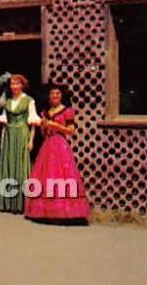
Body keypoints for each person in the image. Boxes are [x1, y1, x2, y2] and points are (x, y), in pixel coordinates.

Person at [25, 85, 91, 222]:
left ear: (61, 96)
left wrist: (57, 127)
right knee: (47, 176)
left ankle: (63, 212)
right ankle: (46, 212)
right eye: (52, 94)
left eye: (57, 93)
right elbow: (43, 133)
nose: (54, 96)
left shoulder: (67, 111)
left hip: (60, 144)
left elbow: (71, 131)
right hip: (48, 145)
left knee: (61, 177)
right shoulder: (45, 112)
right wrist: (44, 126)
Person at [0, 74, 41, 214]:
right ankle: (8, 203)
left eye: (17, 84)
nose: (14, 86)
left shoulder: (29, 100)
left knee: (21, 166)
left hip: (22, 133)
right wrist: (3, 139)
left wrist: (31, 140)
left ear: (22, 85)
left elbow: (33, 123)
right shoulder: (8, 101)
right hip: (9, 134)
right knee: (8, 165)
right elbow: (4, 122)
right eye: (12, 84)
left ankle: (21, 203)